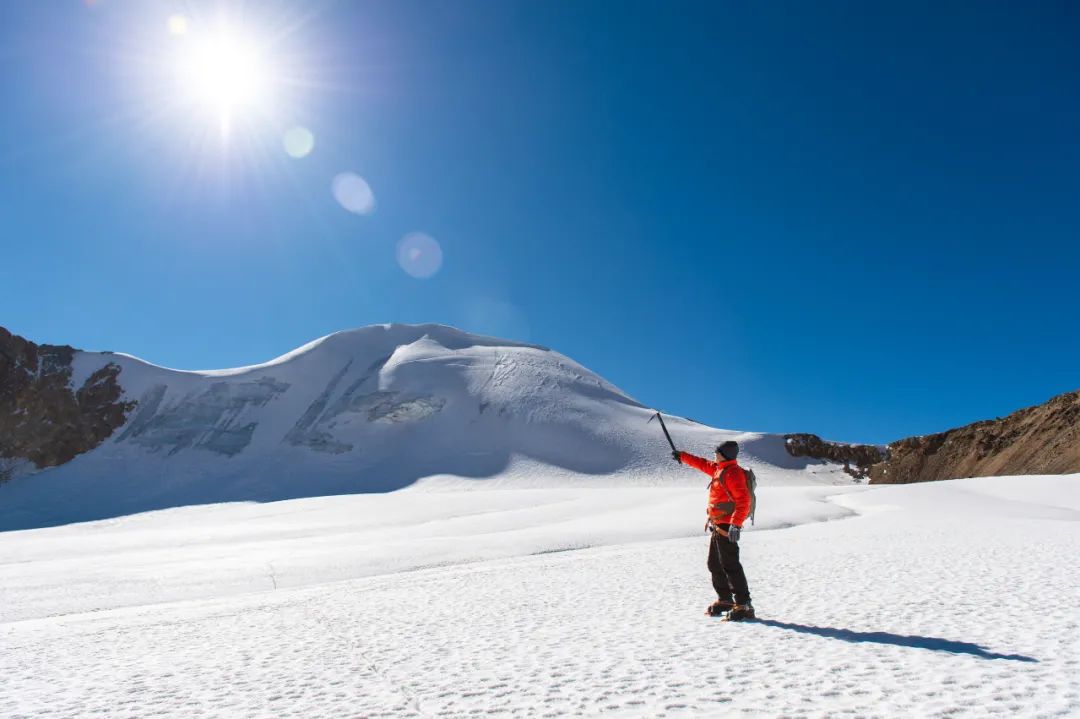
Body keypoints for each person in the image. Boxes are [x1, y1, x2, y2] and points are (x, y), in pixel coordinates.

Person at [673, 440, 755, 620]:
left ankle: (744, 604)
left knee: (730, 565)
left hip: (727, 526)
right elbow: (702, 464)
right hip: (718, 525)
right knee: (714, 564)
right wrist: (682, 456)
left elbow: (744, 501)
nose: (714, 454)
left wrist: (736, 524)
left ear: (725, 454)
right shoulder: (719, 469)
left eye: (717, 452)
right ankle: (725, 599)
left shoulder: (733, 473)